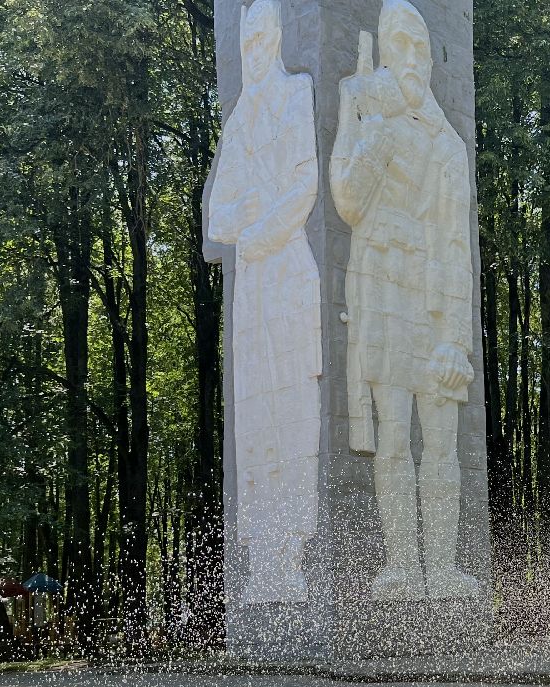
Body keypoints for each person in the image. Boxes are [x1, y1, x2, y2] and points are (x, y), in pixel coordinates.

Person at [329, 0, 480, 601]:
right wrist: (364, 121)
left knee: (440, 439)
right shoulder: (373, 119)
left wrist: (456, 339)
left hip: (431, 298)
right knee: (393, 434)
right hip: (378, 288)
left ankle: (441, 569)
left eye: (421, 46)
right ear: (386, 51)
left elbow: (455, 244)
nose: (413, 58)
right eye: (401, 45)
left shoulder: (448, 148)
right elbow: (346, 200)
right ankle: (400, 567)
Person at [206, 0, 321, 602]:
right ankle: (266, 563)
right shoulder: (237, 121)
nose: (253, 50)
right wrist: (245, 222)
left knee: (296, 411)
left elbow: (305, 185)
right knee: (255, 420)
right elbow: (215, 218)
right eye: (245, 41)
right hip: (252, 282)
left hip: (287, 268)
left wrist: (257, 230)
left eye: (260, 38)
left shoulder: (298, 93)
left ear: (276, 39)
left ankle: (295, 559)